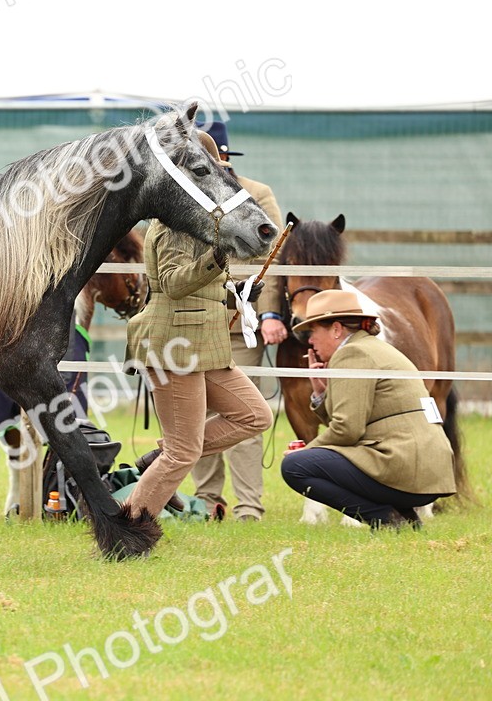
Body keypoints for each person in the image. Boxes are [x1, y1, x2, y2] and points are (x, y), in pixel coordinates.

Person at [123, 131, 274, 522]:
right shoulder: (178, 223)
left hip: (206, 343)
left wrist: (237, 292)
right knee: (183, 452)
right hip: (175, 341)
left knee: (255, 416)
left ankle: (161, 454)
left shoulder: (206, 219)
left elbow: (201, 287)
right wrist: (218, 257)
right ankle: (129, 528)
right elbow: (172, 283)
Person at [281, 290, 456, 528]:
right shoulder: (371, 348)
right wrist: (321, 393)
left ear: (336, 329)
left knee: (295, 467)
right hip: (426, 470)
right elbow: (353, 420)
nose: (309, 341)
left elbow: (347, 430)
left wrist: (305, 452)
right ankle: (406, 517)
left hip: (404, 466)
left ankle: (385, 519)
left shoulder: (351, 354)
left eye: (313, 332)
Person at [190, 121, 286, 522]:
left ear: (224, 156)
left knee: (245, 415)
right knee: (196, 415)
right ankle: (207, 500)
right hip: (192, 323)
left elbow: (274, 253)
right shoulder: (183, 196)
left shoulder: (257, 193)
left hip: (237, 324)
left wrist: (268, 312)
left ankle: (249, 507)